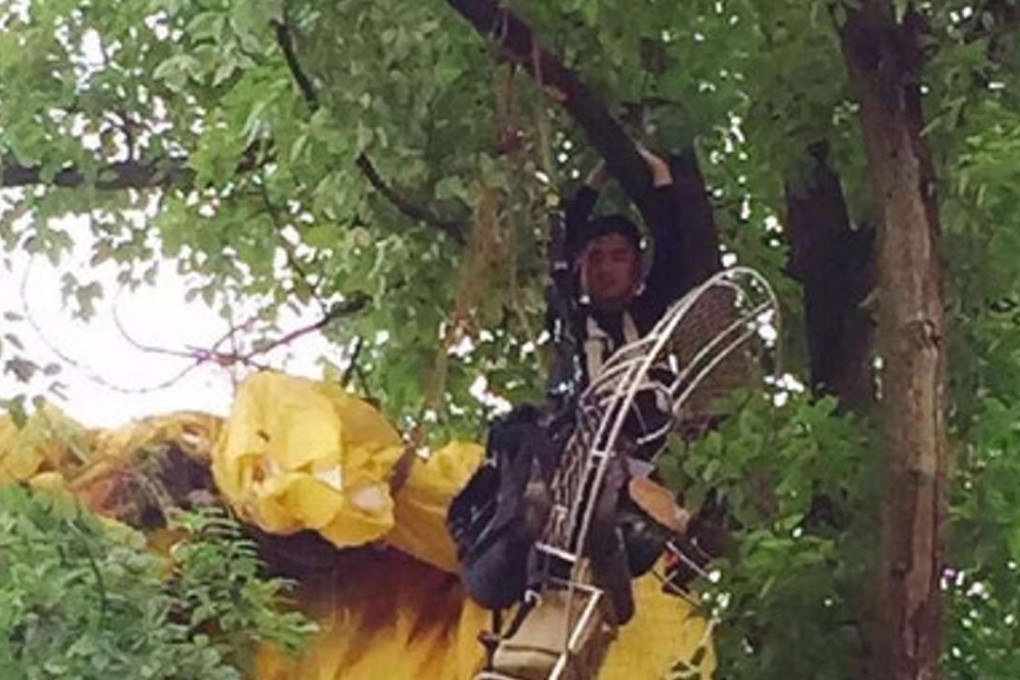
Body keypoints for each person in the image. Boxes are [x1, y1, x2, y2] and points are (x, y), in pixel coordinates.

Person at [547, 147, 687, 398]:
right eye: (595, 258)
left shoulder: (648, 313)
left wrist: (659, 172)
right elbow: (568, 237)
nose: (606, 269)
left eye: (619, 257)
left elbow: (670, 243)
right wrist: (599, 176)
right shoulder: (575, 319)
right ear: (582, 268)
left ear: (637, 267)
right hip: (593, 419)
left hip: (652, 419)